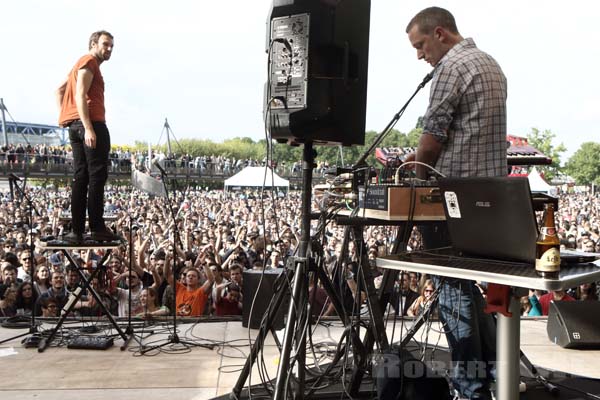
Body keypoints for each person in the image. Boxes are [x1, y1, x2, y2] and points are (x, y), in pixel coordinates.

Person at [405, 7, 507, 399]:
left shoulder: (452, 66)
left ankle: (469, 386)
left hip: (454, 195)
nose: (420, 55)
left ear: (441, 34)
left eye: (420, 45)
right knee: (468, 288)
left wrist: (414, 178)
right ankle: (493, 371)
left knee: (451, 290)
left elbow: (433, 135)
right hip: (490, 194)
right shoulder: (490, 63)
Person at [56, 30, 118, 243]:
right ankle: (97, 227)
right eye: (105, 44)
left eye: (111, 46)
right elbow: (80, 94)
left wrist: (68, 116)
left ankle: (77, 231)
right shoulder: (89, 61)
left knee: (81, 177)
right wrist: (88, 127)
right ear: (93, 43)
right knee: (96, 177)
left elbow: (60, 90)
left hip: (76, 125)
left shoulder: (79, 65)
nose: (109, 49)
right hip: (90, 124)